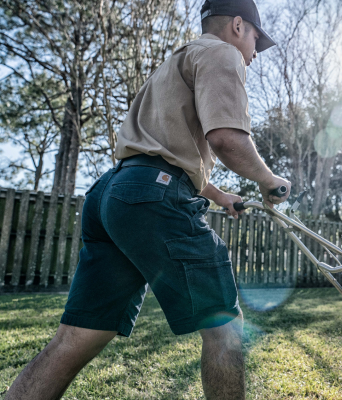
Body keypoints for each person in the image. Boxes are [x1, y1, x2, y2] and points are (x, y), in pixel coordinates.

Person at [5, 0, 290, 399]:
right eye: (257, 40)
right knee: (226, 328)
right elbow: (226, 138)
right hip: (152, 195)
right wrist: (269, 180)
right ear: (238, 27)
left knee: (77, 336)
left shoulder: (174, 63)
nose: (256, 53)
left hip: (113, 193)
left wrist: (219, 194)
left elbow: (162, 152)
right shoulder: (223, 53)